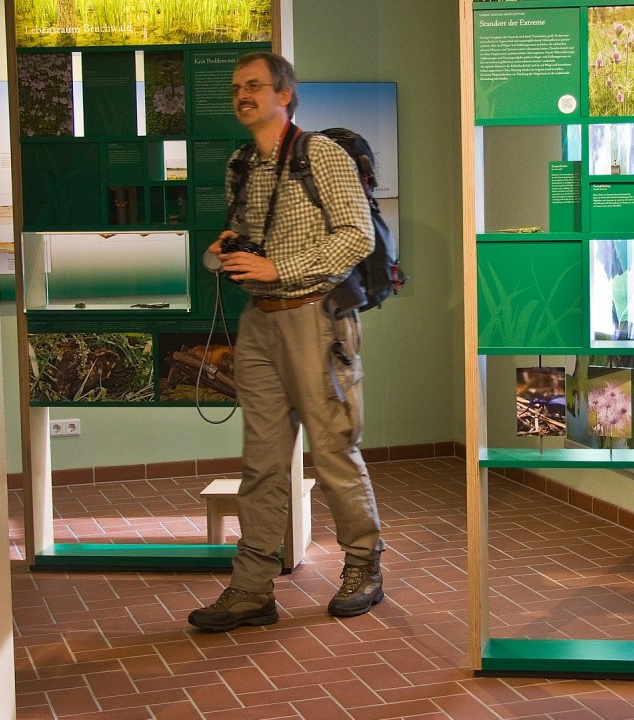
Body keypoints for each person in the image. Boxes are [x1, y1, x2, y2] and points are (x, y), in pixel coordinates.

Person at [188, 51, 385, 632]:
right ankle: (251, 589)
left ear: (285, 95)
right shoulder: (240, 162)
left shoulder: (320, 153)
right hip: (259, 324)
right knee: (263, 462)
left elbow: (357, 236)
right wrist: (227, 250)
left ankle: (363, 567)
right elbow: (245, 242)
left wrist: (281, 268)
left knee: (332, 450)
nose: (242, 96)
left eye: (254, 86)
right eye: (236, 89)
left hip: (315, 318)